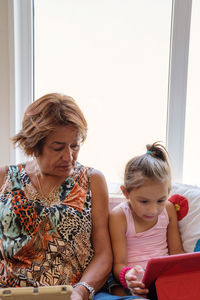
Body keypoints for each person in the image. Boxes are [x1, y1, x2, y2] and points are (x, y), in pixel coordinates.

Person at [0, 92, 146, 300]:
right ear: (34, 145)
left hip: (74, 294)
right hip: (12, 294)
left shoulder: (92, 179)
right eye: (58, 147)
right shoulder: (4, 177)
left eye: (75, 146)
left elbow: (104, 253)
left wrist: (81, 290)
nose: (69, 157)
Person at [109, 142, 184, 299]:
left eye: (160, 200)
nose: (153, 210)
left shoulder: (169, 209)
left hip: (164, 281)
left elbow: (176, 253)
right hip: (133, 283)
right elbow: (118, 264)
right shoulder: (120, 216)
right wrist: (127, 276)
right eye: (144, 202)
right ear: (126, 192)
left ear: (168, 192)